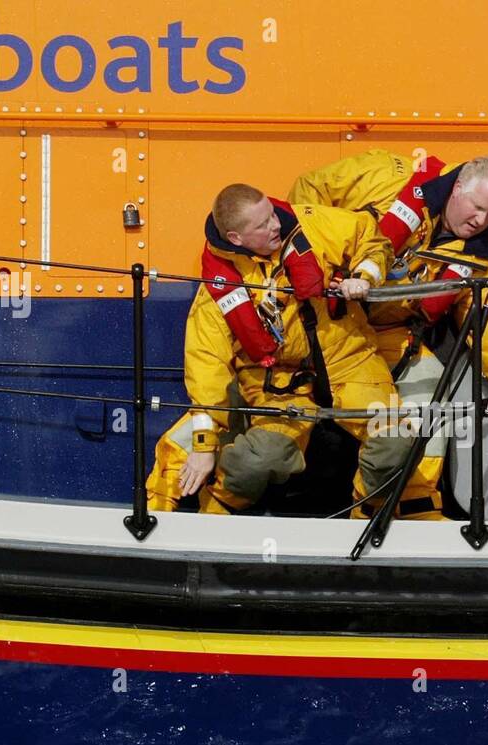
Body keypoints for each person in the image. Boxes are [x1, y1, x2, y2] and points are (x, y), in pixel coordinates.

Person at [288, 150, 488, 519]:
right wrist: (308, 263)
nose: (481, 220)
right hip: (327, 320)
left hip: (388, 337)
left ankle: (408, 503)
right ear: (457, 186)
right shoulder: (386, 176)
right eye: (477, 206)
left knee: (431, 393)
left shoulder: (475, 269)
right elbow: (310, 190)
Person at [147, 183, 411, 515]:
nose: (275, 225)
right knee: (257, 461)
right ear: (235, 238)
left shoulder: (314, 226)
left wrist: (365, 276)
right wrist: (204, 446)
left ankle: (368, 518)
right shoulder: (216, 293)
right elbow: (205, 365)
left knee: (395, 439)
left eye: (272, 214)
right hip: (278, 384)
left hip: (349, 359)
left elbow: (371, 240)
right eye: (262, 224)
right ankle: (213, 519)